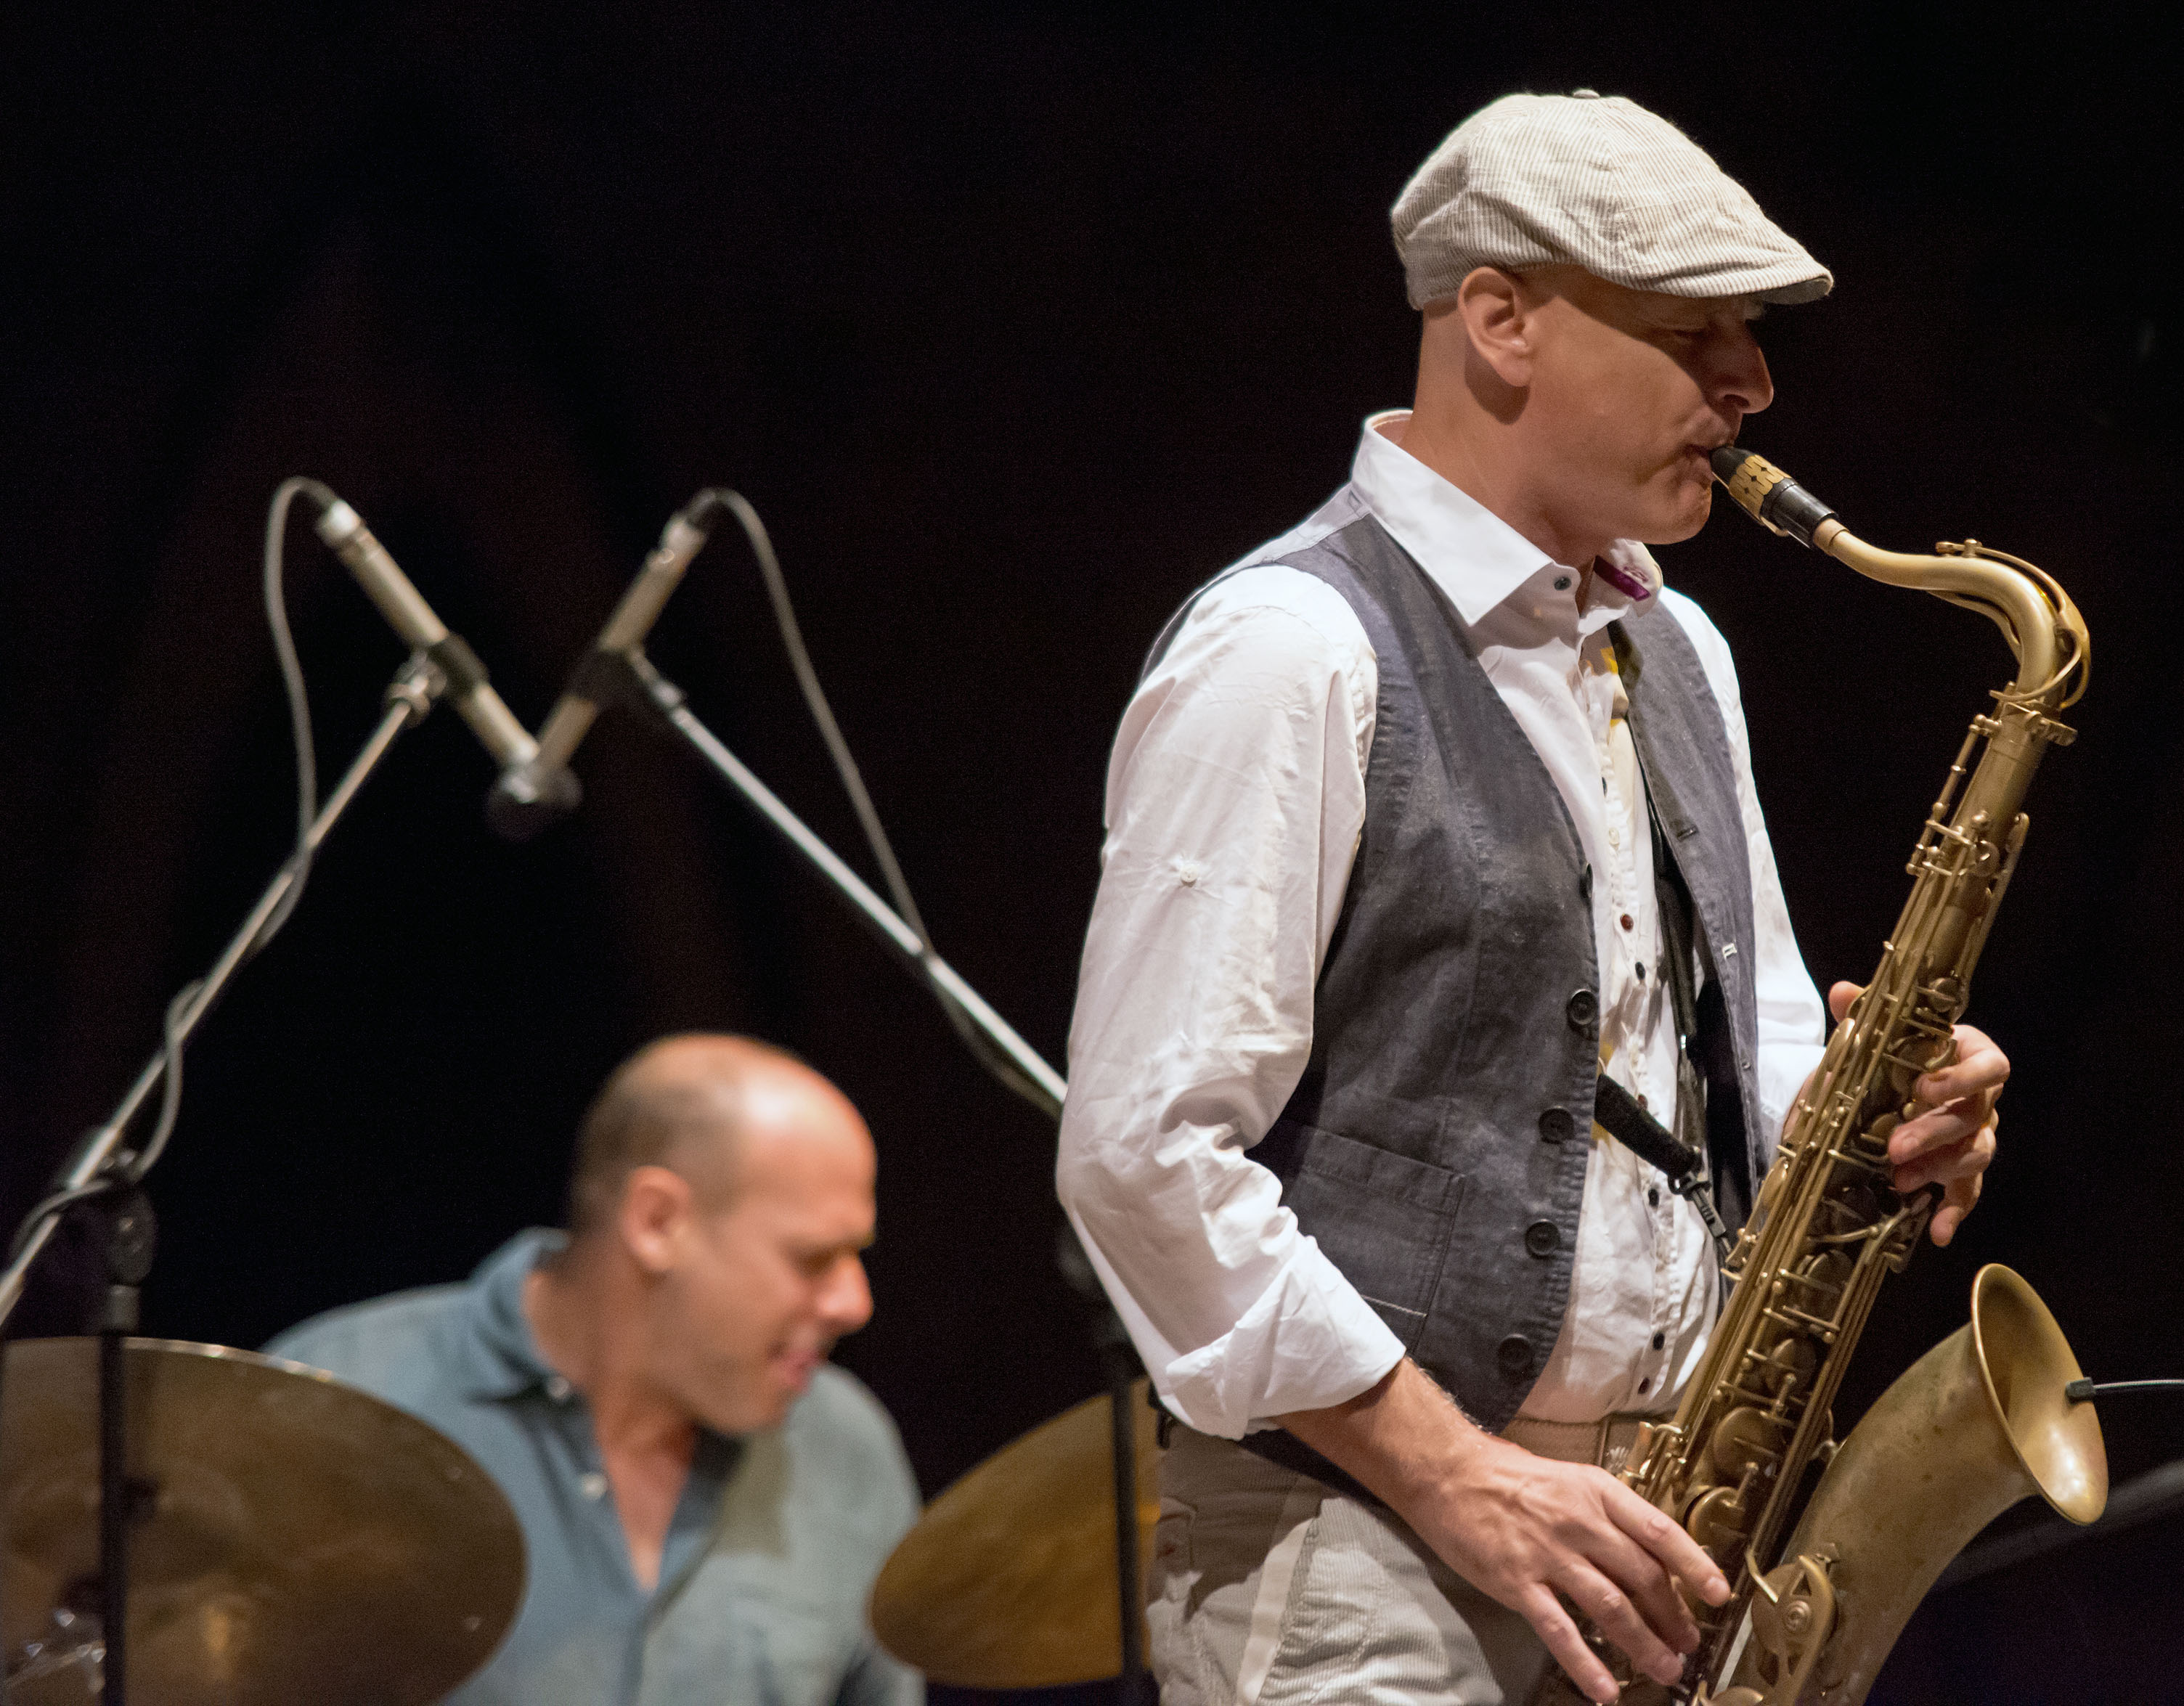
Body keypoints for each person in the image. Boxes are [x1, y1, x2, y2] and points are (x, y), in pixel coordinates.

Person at [1054, 91, 2010, 1706]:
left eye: (1753, 336)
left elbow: (1744, 1057)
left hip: (1650, 1536)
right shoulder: (1289, 645)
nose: (1751, 385)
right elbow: (1143, 1154)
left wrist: (1883, 1104)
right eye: (1695, 327)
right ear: (1497, 317)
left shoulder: (1680, 647)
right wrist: (1453, 1472)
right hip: (1360, 1556)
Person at [267, 1034, 921, 1706]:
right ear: (657, 1221)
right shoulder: (333, 1401)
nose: (855, 1303)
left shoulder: (848, 1451)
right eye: (813, 1259)